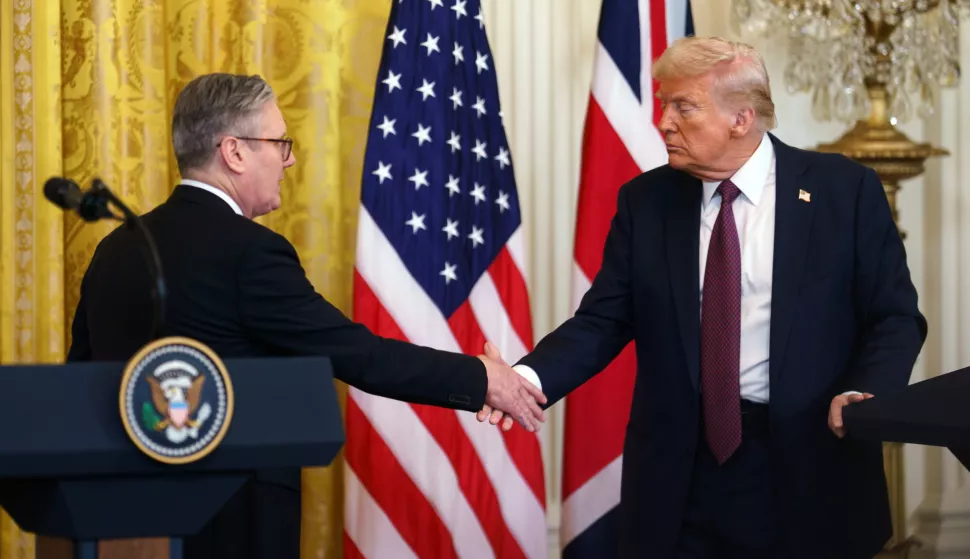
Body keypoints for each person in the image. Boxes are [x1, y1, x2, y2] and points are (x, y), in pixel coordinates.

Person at [66, 72, 546, 559]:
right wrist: (481, 379)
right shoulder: (250, 252)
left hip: (121, 521)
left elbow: (79, 384)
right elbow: (360, 355)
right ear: (234, 152)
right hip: (233, 522)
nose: (289, 159)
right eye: (279, 142)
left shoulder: (114, 249)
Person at [480, 36, 926, 559]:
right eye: (664, 104)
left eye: (682, 107)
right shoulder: (646, 202)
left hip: (810, 462)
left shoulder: (843, 192)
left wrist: (867, 391)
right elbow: (601, 322)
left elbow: (893, 318)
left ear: (741, 118)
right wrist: (525, 379)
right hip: (679, 478)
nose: (664, 122)